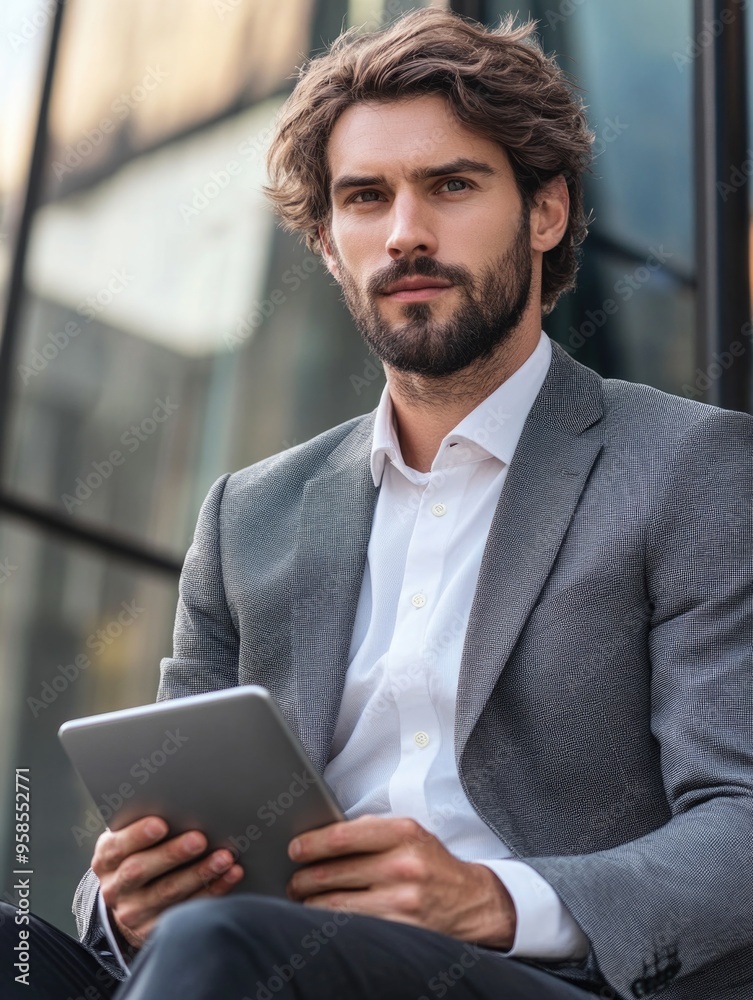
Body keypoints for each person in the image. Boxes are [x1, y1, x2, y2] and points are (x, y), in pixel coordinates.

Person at [3, 7, 753, 999]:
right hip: (246, 961)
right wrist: (127, 896)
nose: (405, 233)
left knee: (224, 947)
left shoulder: (691, 463)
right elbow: (161, 819)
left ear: (547, 212)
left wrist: (490, 896)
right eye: (365, 197)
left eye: (451, 185)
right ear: (326, 242)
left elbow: (740, 820)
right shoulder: (247, 518)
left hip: (533, 980)